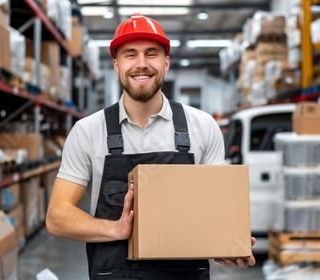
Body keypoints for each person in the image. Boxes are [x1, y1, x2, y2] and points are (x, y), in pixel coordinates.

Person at [46, 13, 256, 280]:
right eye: (130, 55)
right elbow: (57, 217)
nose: (141, 64)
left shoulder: (202, 127)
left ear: (166, 63)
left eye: (152, 54)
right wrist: (116, 229)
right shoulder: (88, 131)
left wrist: (228, 243)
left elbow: (214, 212)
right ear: (116, 64)